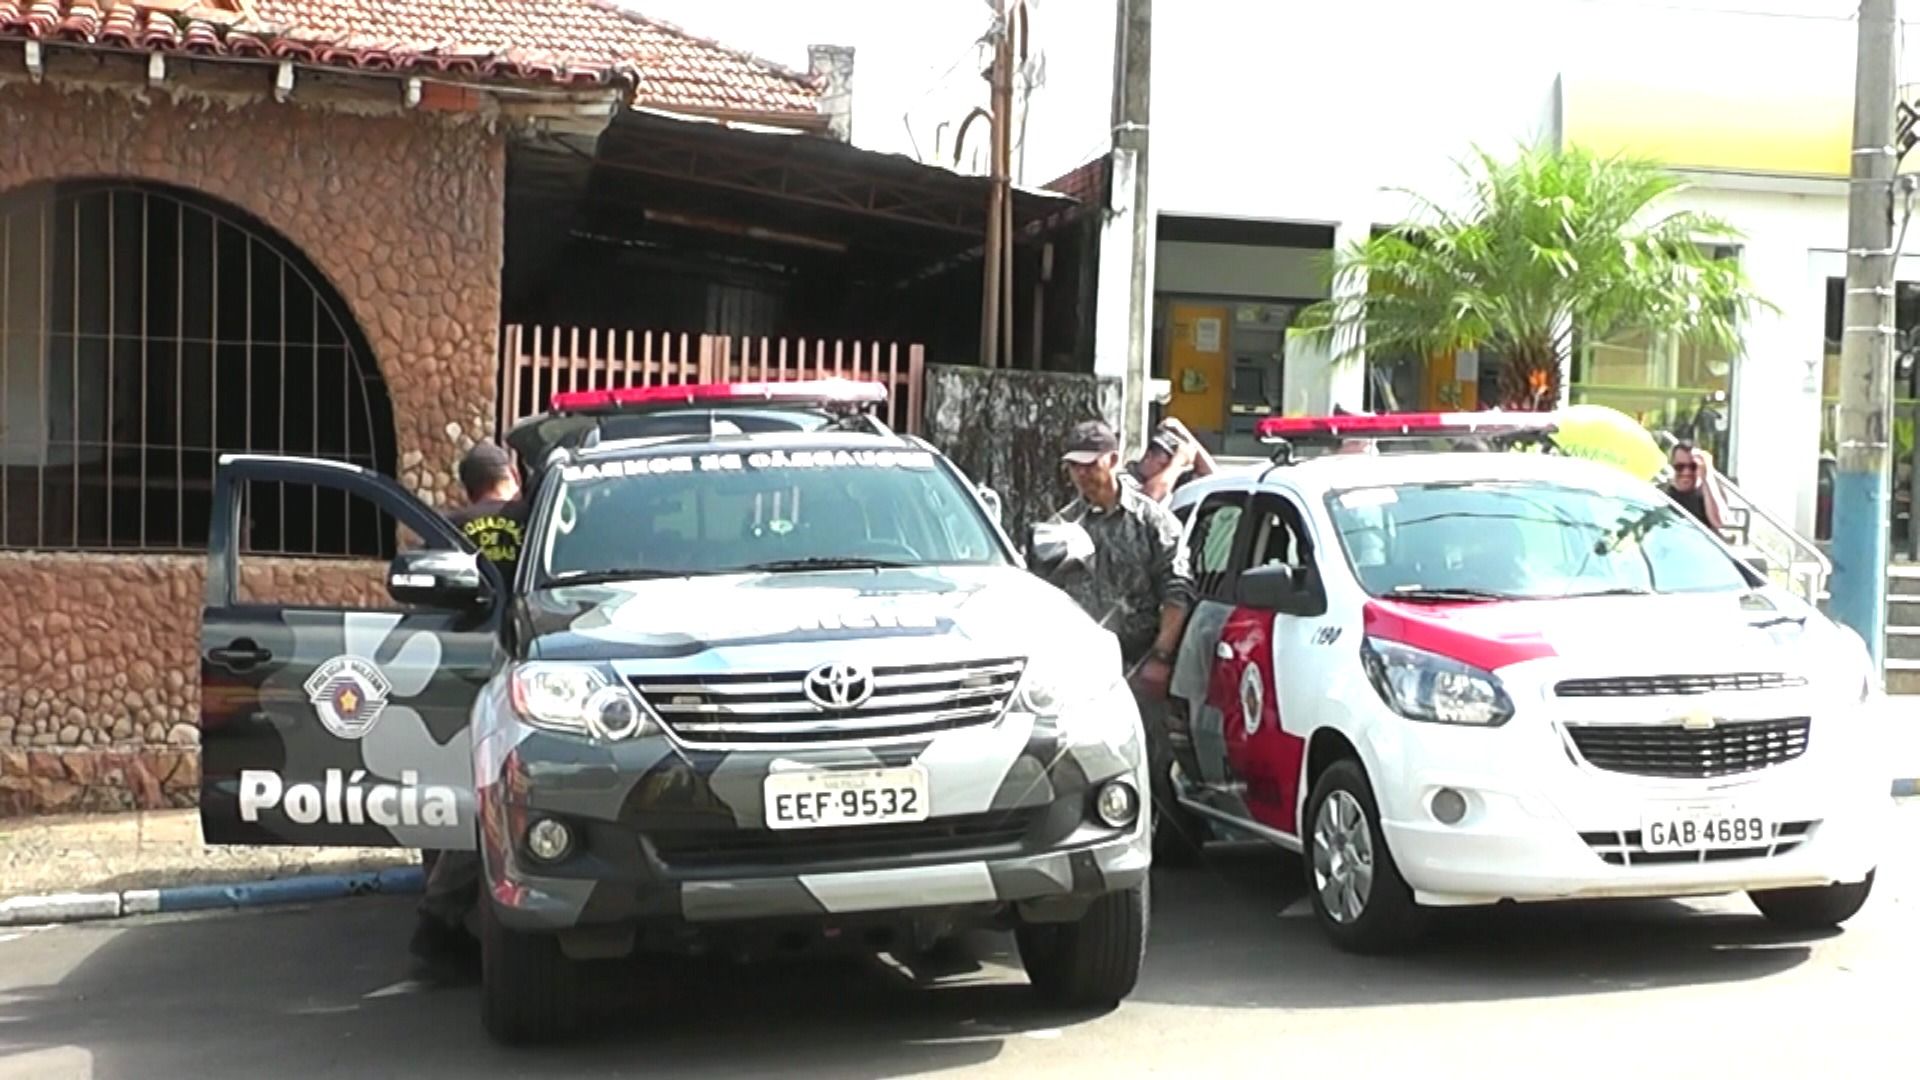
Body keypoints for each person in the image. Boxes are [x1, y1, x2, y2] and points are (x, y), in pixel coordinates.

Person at [411, 442, 526, 969]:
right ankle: (440, 924)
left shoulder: (446, 529)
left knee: (456, 791)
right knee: (501, 793)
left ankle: (441, 916)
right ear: (512, 476)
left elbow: (421, 602)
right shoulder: (535, 518)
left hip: (459, 669)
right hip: (529, 667)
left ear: (467, 485)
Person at [1052, 420, 1196, 696]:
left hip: (1139, 665)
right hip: (1079, 667)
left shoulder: (1152, 521)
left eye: (1091, 465)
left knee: (1145, 737)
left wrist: (1160, 657)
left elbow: (1177, 592)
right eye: (1074, 466)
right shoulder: (1063, 527)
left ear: (1114, 460)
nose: (1082, 474)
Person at [1126, 417, 1216, 504]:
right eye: (1163, 465)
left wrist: (1185, 435)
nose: (1166, 471)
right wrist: (1176, 463)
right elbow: (1147, 501)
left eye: (1168, 467)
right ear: (1148, 457)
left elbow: (1211, 478)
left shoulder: (1169, 478)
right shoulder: (1126, 478)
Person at [1663, 440, 1727, 533]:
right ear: (1672, 466)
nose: (1686, 472)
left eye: (1693, 466)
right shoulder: (1662, 495)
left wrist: (1707, 477)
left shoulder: (1712, 492)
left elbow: (1720, 522)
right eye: (1680, 467)